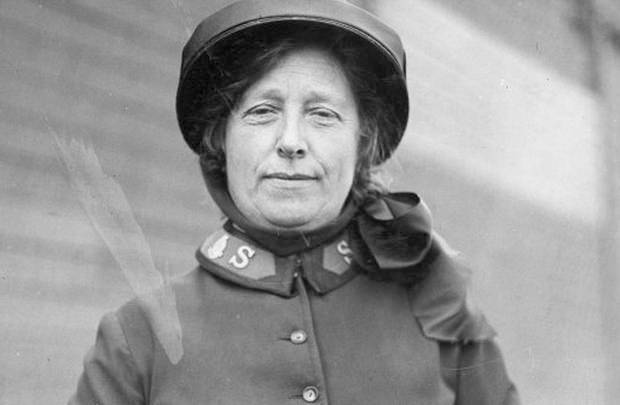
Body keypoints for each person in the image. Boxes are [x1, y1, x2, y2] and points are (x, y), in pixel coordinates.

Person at [70, 0, 520, 403]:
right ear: (220, 140)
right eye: (262, 111)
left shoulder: (438, 307)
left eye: (322, 114)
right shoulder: (137, 339)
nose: (290, 142)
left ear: (362, 143)